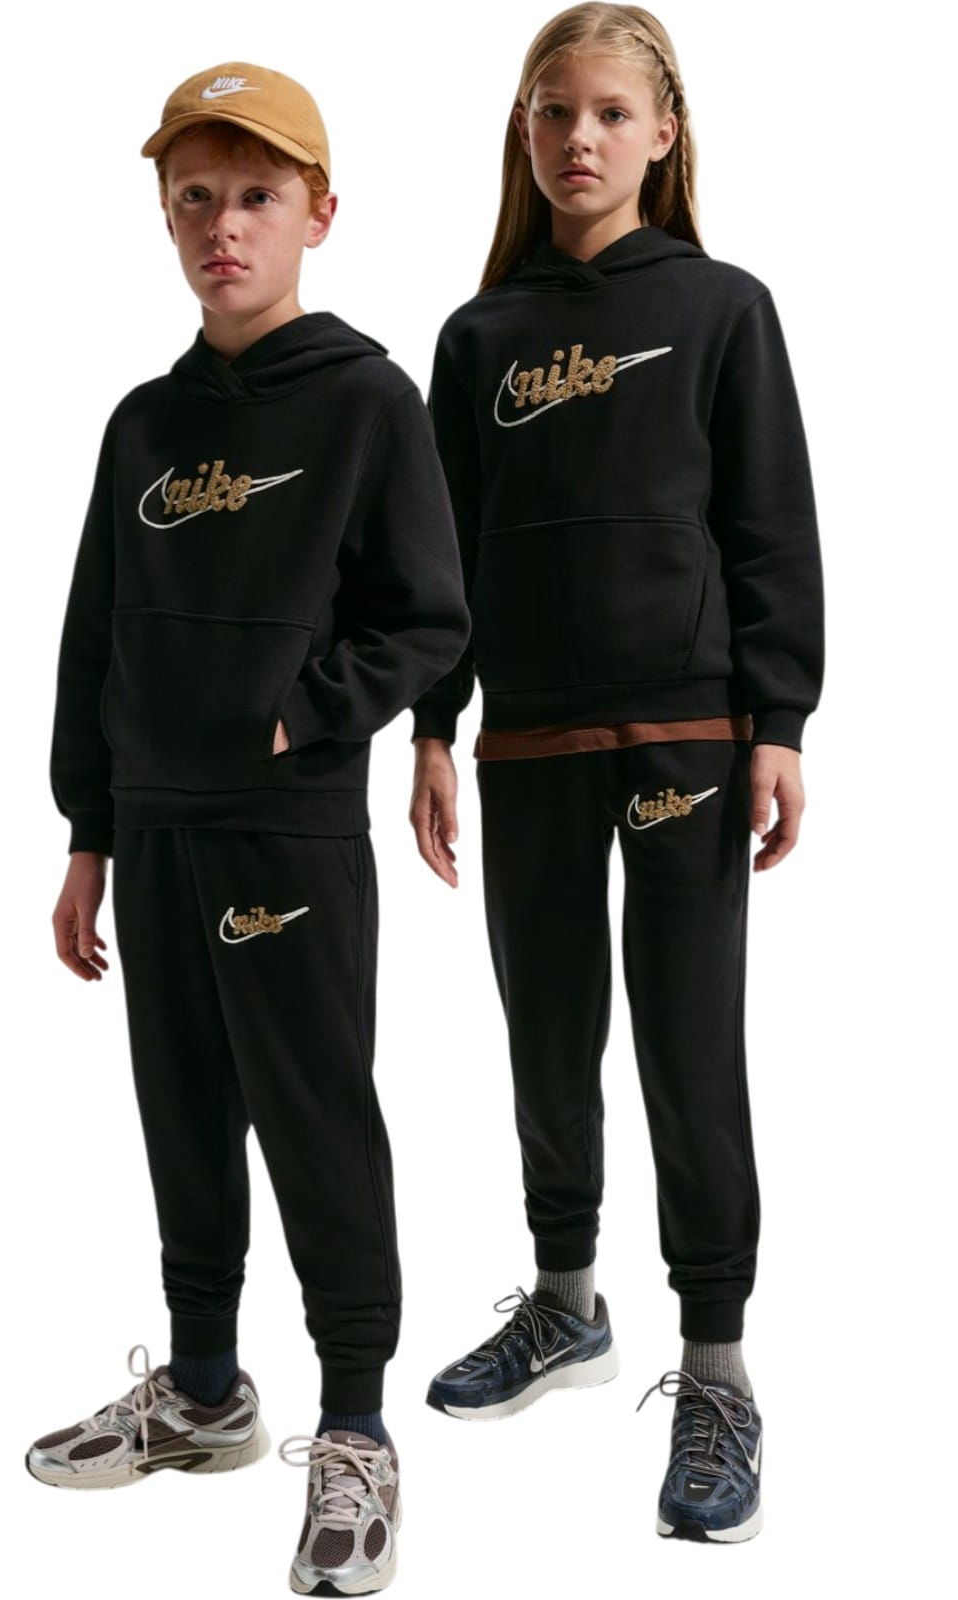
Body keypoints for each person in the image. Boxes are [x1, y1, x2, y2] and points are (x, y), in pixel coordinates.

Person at [27, 60, 469, 1597]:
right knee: (182, 1109)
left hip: (286, 835)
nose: (224, 226)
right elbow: (94, 635)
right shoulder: (144, 423)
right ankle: (206, 1391)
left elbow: (428, 616)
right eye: (195, 200)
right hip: (151, 830)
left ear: (317, 215)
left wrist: (300, 715)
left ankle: (355, 1428)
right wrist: (87, 831)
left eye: (257, 198)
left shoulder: (365, 403)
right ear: (166, 218)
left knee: (313, 1116)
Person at [409, 2, 824, 1544]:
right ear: (521, 134)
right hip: (525, 738)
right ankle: (566, 1304)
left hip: (685, 739)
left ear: (660, 135)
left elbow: (768, 521)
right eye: (550, 111)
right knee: (546, 1032)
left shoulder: (720, 309)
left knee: (686, 1048)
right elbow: (435, 555)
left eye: (604, 112)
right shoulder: (478, 336)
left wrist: (777, 721)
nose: (575, 138)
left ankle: (715, 1368)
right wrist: (430, 727)